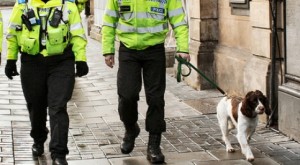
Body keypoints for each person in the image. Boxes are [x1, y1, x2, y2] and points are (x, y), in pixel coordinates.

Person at [102, 0, 190, 163]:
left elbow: (179, 21)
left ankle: (154, 145)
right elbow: (109, 22)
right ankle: (130, 128)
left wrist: (183, 48)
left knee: (156, 98)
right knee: (126, 95)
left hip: (154, 50)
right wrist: (107, 50)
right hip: (128, 50)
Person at [5, 0, 88, 164]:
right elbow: (13, 34)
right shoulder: (22, 5)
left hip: (61, 62)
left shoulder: (68, 6)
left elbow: (78, 35)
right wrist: (11, 59)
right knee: (35, 105)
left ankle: (59, 153)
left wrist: (81, 59)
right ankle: (38, 138)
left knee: (58, 106)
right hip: (31, 63)